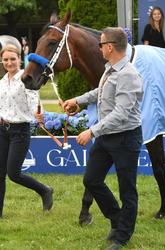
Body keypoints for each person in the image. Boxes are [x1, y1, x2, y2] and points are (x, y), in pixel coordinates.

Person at [63, 27, 143, 249]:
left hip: (125, 139)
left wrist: (92, 131)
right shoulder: (110, 70)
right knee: (91, 180)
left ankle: (122, 236)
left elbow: (122, 113)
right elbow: (99, 93)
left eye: (101, 44)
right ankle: (117, 220)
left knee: (127, 190)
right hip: (108, 136)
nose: (98, 48)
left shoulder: (128, 74)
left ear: (110, 47)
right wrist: (77, 100)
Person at [0, 44, 53, 218]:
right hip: (2, 130)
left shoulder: (26, 78)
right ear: (2, 61)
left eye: (12, 59)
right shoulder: (1, 81)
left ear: (19, 59)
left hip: (20, 131)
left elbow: (33, 101)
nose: (9, 62)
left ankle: (44, 190)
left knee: (13, 174)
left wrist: (38, 114)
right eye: (6, 59)